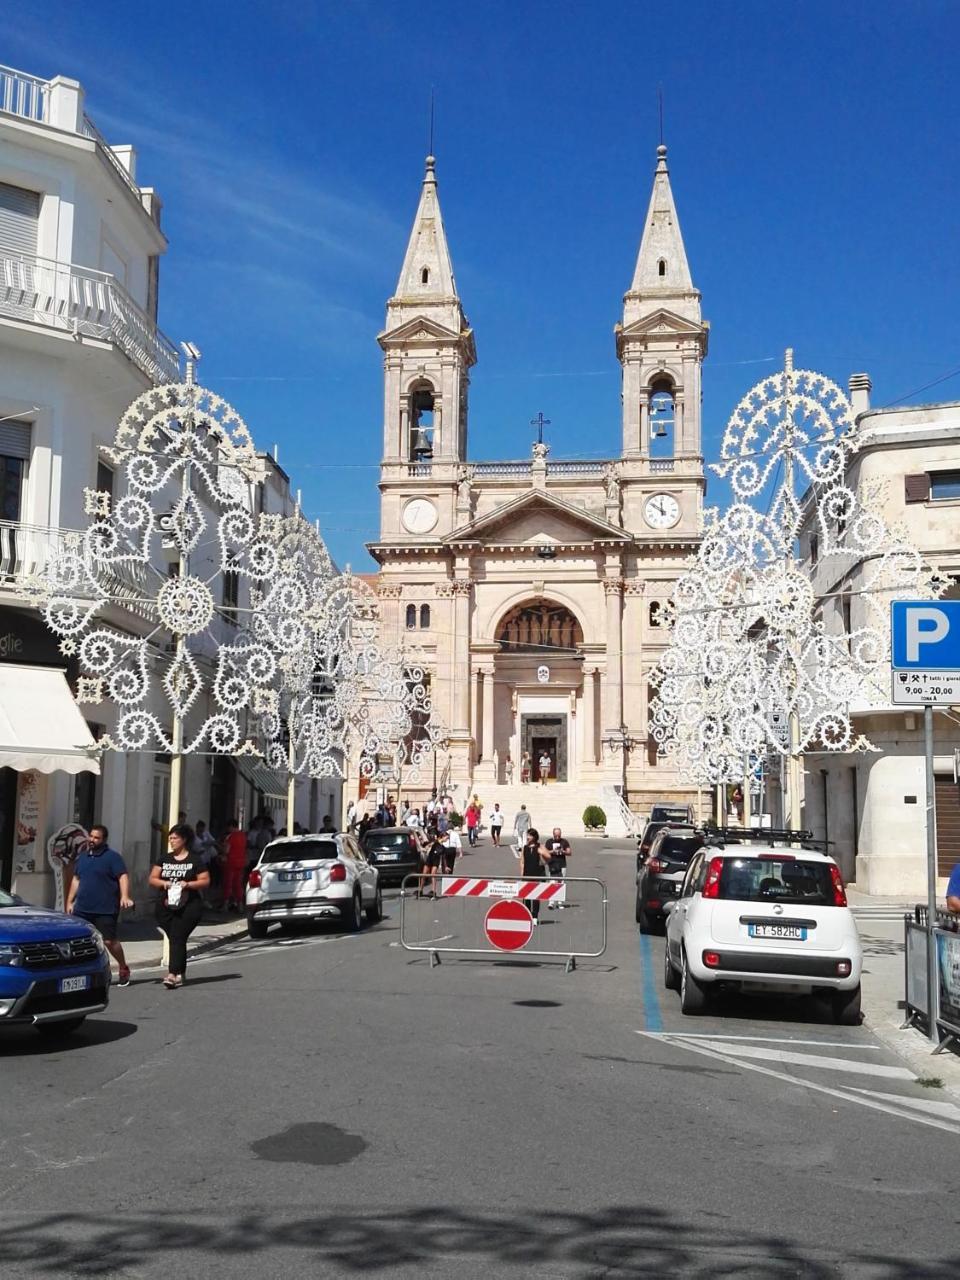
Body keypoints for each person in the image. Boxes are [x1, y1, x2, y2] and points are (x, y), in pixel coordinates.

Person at [65, 824, 134, 986]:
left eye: (96, 838)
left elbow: (122, 876)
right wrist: (69, 901)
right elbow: (76, 880)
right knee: (79, 941)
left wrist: (125, 896)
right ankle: (84, 973)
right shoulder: (82, 857)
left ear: (103, 840)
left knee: (110, 941)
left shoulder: (112, 857)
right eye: (91, 836)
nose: (92, 840)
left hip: (105, 908)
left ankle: (123, 967)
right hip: (82, 908)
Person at [150, 823, 210, 989]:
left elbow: (205, 880)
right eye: (170, 838)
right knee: (177, 938)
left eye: (175, 838)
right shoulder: (164, 859)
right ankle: (180, 973)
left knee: (177, 936)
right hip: (166, 905)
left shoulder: (194, 860)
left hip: (189, 906)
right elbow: (153, 878)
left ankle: (172, 974)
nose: (171, 841)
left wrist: (188, 884)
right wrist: (165, 883)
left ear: (184, 840)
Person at [519, 827, 549, 924]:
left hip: (537, 874)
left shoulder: (540, 846)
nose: (527, 837)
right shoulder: (525, 848)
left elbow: (548, 857)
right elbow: (522, 862)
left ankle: (535, 917)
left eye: (530, 835)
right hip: (527, 874)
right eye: (527, 835)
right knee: (526, 897)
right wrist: (522, 874)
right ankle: (527, 915)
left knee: (535, 896)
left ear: (534, 837)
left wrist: (541, 852)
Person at [222, 819, 248, 911]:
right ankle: (240, 905)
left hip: (231, 862)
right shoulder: (243, 836)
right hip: (241, 862)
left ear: (231, 826)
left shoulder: (230, 837)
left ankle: (225, 905)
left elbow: (227, 850)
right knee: (238, 884)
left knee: (228, 883)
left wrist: (222, 851)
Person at [544, 826, 572, 910]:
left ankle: (560, 902)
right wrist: (552, 851)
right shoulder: (549, 842)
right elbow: (545, 852)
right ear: (553, 834)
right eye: (556, 836)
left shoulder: (564, 841)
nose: (557, 837)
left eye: (559, 836)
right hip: (552, 864)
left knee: (561, 883)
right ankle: (551, 902)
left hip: (562, 864)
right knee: (552, 882)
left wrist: (563, 851)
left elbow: (569, 852)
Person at [420, 829, 444, 898]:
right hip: (429, 858)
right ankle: (421, 890)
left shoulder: (440, 843)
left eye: (434, 835)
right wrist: (427, 845)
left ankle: (433, 891)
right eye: (432, 835)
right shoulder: (430, 840)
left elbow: (442, 852)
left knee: (433, 874)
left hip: (435, 860)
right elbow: (424, 845)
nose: (433, 836)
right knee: (424, 875)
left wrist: (444, 866)